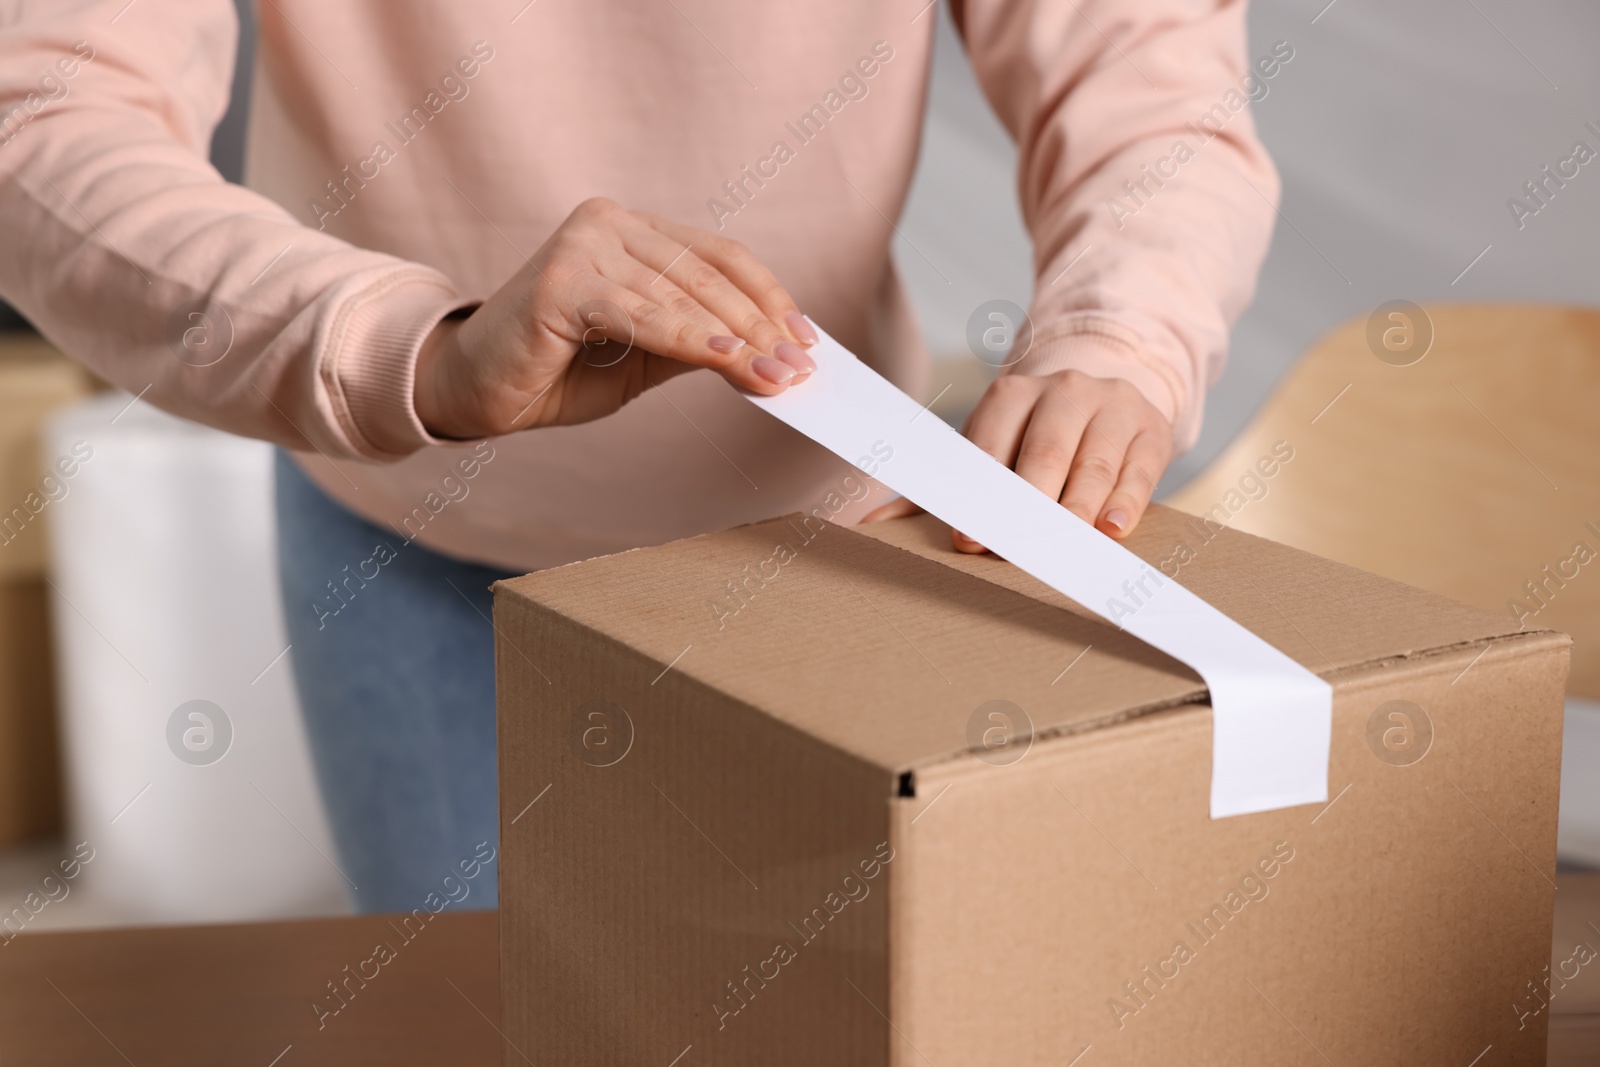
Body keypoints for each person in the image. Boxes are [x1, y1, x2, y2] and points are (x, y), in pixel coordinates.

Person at [0, 1, 1277, 911]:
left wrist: (1119, 334)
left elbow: (1146, 67)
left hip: (841, 557)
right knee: (475, 1026)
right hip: (410, 541)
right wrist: (409, 346)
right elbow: (46, 119)